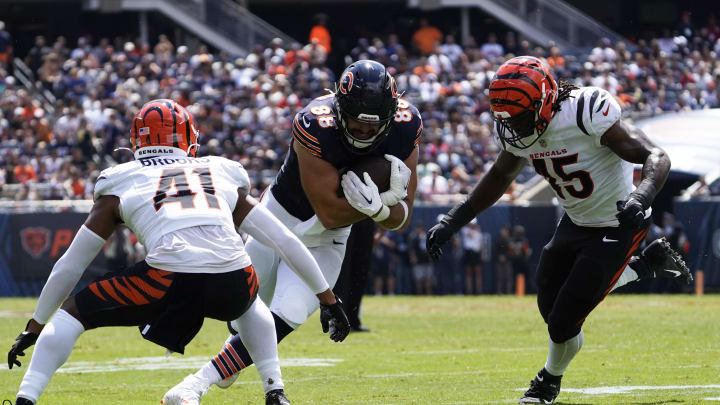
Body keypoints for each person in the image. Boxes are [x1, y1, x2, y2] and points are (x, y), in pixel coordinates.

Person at [6, 99, 349, 405]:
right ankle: (275, 391)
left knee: (71, 314)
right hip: (232, 280)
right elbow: (284, 240)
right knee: (251, 300)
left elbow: (72, 264)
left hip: (164, 278)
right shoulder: (219, 171)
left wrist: (35, 326)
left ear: (137, 140)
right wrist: (328, 299)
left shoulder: (120, 180)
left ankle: (26, 398)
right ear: (189, 137)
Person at [425, 56, 692, 404]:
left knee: (564, 321)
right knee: (551, 308)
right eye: (507, 119)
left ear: (546, 100)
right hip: (575, 220)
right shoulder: (519, 128)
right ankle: (646, 265)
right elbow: (498, 177)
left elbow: (656, 156)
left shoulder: (585, 111)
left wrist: (640, 198)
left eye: (520, 117)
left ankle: (547, 382)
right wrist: (451, 221)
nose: (514, 127)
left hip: (619, 221)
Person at [163, 59, 422, 399]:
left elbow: (403, 217)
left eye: (371, 128)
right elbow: (328, 212)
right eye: (357, 126)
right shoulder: (315, 123)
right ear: (341, 109)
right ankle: (225, 346)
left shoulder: (407, 125)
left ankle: (193, 386)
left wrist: (379, 208)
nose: (363, 134)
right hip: (279, 219)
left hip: (328, 240)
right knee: (239, 310)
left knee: (286, 315)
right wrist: (374, 210)